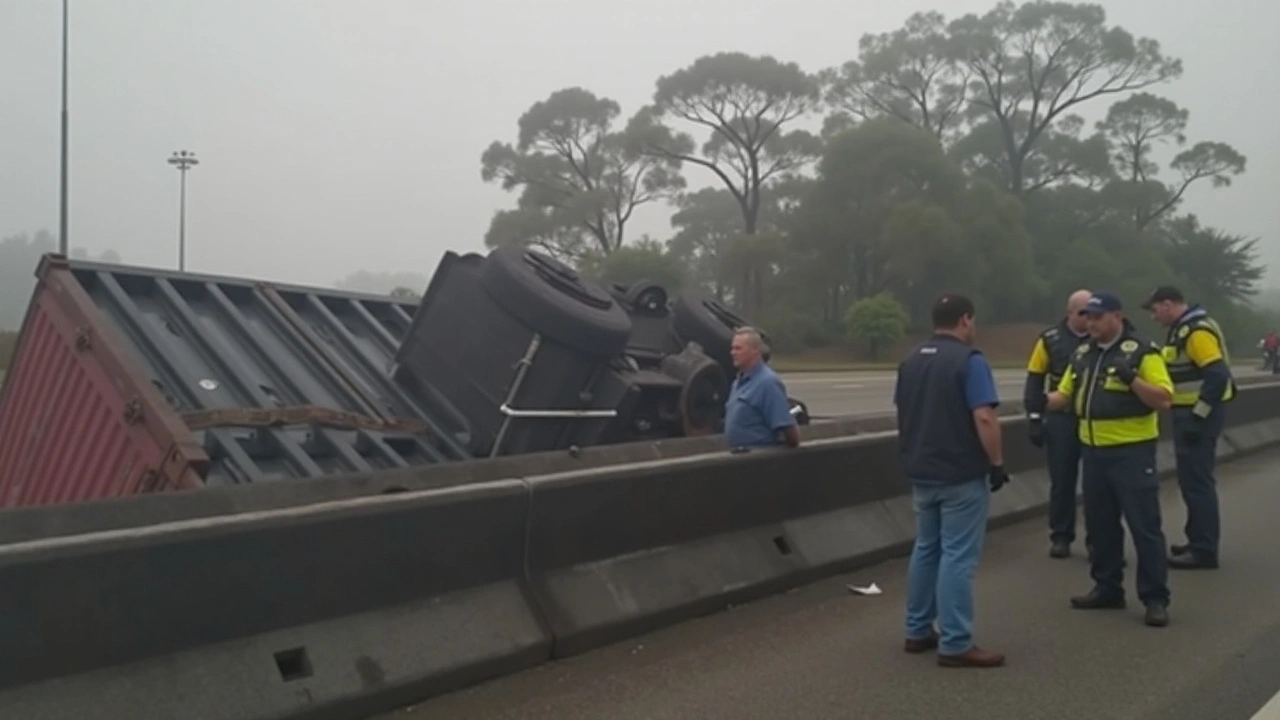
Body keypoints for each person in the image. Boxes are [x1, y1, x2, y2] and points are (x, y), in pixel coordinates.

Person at [1045, 292, 1173, 628]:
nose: (1090, 323)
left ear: (1116, 316)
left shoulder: (1143, 351)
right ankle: (1107, 588)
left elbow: (1163, 399)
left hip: (1132, 451)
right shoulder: (1084, 354)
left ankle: (1155, 598)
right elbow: (1065, 395)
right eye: (1087, 317)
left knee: (1145, 527)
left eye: (1097, 317)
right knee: (1100, 526)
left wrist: (1132, 379)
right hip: (1093, 451)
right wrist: (1034, 403)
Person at [894, 293, 1008, 668]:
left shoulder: (910, 361)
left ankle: (917, 629)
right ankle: (956, 641)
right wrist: (996, 461)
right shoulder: (970, 361)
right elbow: (985, 417)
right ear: (965, 320)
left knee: (926, 548)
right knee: (958, 556)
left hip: (921, 470)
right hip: (959, 472)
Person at [1143, 286, 1235, 570]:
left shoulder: (1196, 332)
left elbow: (1217, 376)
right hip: (1190, 413)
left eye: (1155, 310)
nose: (1154, 317)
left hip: (1197, 416)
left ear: (1168, 304)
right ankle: (1197, 540)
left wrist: (1198, 416)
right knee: (1192, 482)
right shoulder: (1184, 330)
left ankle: (1204, 549)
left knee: (1197, 484)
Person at [1024, 289, 1093, 559]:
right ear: (1069, 313)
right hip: (1061, 419)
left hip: (1091, 419)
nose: (1088, 319)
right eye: (1082, 313)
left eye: (1092, 313)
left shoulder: (1101, 338)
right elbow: (1034, 379)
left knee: (1096, 485)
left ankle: (1097, 540)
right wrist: (1033, 417)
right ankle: (1061, 536)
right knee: (1062, 482)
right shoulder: (1050, 339)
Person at [723, 327, 800, 450]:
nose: (733, 352)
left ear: (755, 351)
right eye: (732, 348)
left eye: (738, 348)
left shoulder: (767, 383)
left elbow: (789, 431)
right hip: (738, 459)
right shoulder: (737, 383)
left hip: (760, 460)